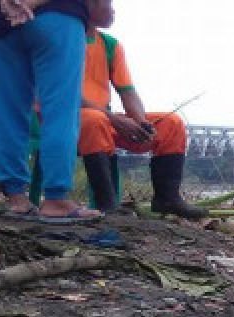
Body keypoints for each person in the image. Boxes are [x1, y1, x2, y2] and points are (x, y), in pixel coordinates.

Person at [76, 0, 205, 217]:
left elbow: (127, 91)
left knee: (171, 124)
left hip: (103, 119)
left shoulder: (109, 45)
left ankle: (167, 198)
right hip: (67, 119)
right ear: (89, 5)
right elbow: (65, 95)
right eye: (108, 4)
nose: (113, 11)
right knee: (93, 120)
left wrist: (140, 122)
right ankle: (106, 205)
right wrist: (114, 119)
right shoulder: (64, 40)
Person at [0, 0, 102, 223]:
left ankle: (16, 198)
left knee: (7, 113)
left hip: (0, 20)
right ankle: (56, 198)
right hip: (57, 15)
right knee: (60, 110)